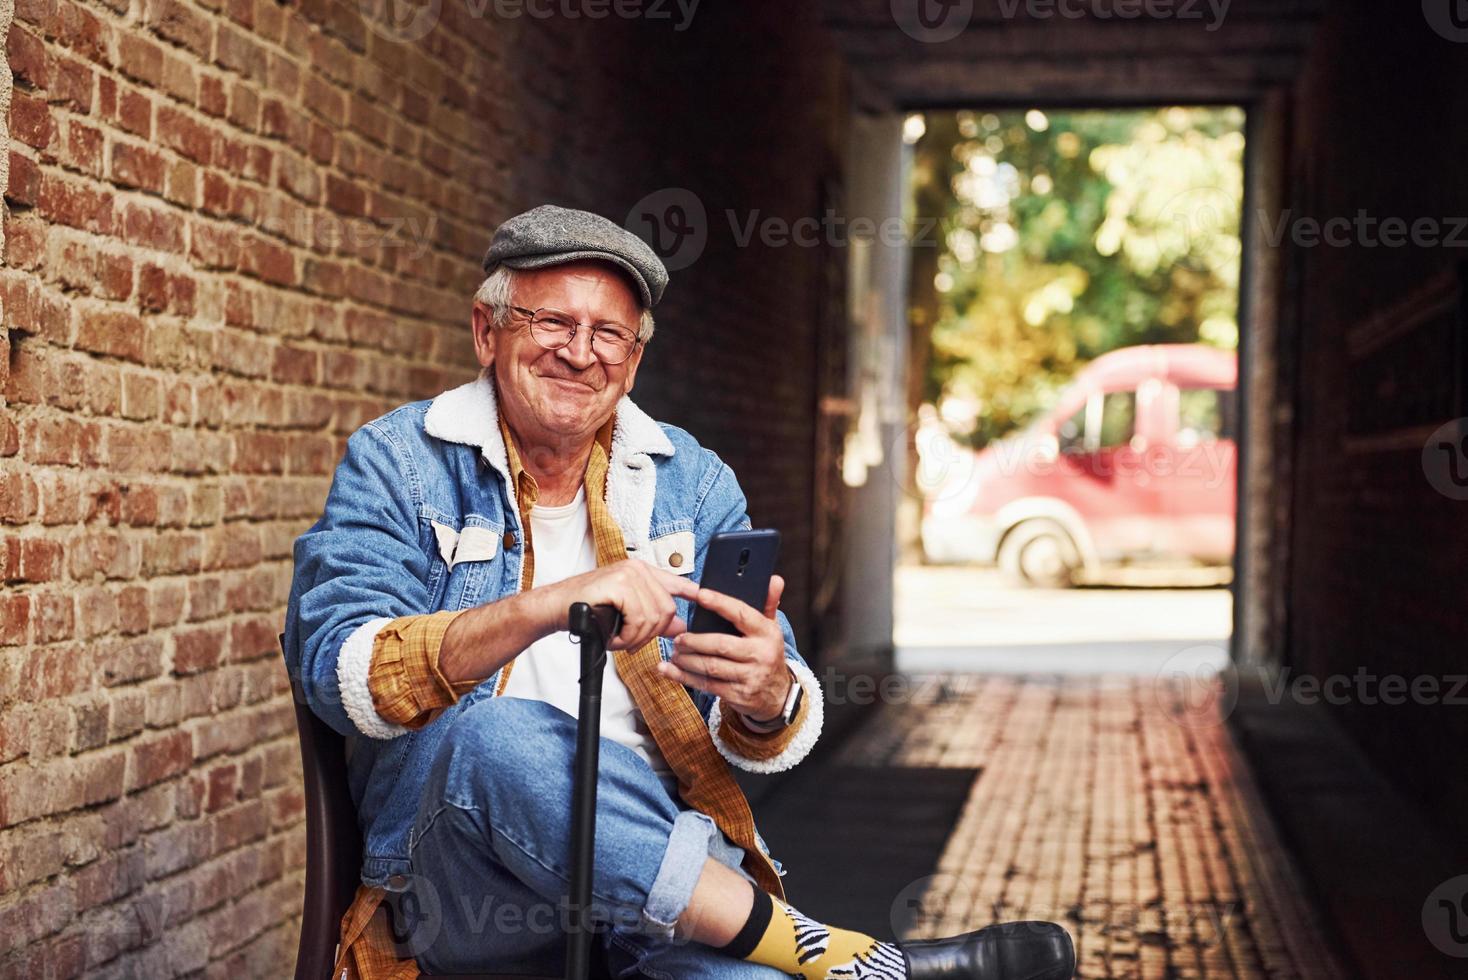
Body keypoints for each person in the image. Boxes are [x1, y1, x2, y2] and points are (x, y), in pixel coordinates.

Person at [282, 204, 1076, 979]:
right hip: (475, 895)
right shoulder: (399, 463)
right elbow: (338, 671)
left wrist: (767, 693)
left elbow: (764, 727)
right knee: (495, 738)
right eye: (551, 323)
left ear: (633, 362)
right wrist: (550, 606)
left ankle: (821, 961)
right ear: (488, 333)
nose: (580, 353)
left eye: (609, 336)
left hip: (668, 902)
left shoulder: (688, 482)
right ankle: (841, 955)